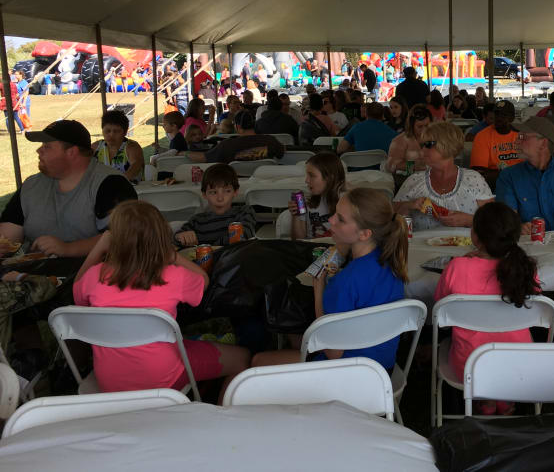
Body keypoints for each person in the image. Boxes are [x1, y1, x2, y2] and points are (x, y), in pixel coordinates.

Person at [73, 201, 250, 394]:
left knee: (182, 344)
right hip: (162, 377)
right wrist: (171, 255)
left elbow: (77, 291)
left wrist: (98, 248)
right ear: (160, 237)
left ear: (114, 239)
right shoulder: (173, 275)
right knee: (243, 358)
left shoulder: (95, 275)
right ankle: (216, 409)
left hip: (110, 381)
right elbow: (203, 280)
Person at [251, 188, 407, 370]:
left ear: (365, 234)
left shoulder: (344, 282)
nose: (331, 220)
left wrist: (319, 289)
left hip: (348, 373)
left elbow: (333, 352)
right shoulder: (392, 263)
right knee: (298, 341)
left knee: (257, 361)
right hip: (383, 368)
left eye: (340, 219)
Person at [434, 202, 540, 415]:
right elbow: (534, 308)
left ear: (475, 236)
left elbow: (440, 313)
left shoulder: (457, 267)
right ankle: (502, 399)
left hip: (470, 367)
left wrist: (466, 262)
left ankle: (486, 402)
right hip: (520, 364)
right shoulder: (526, 268)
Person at [0, 120, 137, 259]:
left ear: (71, 152)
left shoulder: (111, 184)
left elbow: (123, 237)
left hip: (96, 272)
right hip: (34, 274)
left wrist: (68, 249)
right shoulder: (31, 186)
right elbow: (6, 237)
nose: (39, 150)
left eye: (47, 146)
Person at [394, 121, 494, 230]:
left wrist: (470, 220)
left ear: (447, 144)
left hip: (465, 241)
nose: (422, 150)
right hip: (422, 242)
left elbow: (493, 221)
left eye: (428, 144)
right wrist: (408, 205)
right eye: (422, 145)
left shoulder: (473, 179)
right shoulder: (414, 180)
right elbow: (391, 218)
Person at [174, 164, 257, 247]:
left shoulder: (244, 212)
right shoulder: (197, 221)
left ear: (235, 192)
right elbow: (177, 239)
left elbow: (244, 233)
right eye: (213, 192)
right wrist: (181, 237)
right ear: (204, 194)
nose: (220, 198)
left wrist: (214, 248)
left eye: (227, 191)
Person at [186, 110, 284, 164]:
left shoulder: (226, 145)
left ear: (237, 127)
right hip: (262, 186)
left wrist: (183, 153)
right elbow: (281, 153)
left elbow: (204, 158)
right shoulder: (271, 140)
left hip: (233, 187)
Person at [288, 152, 346, 239]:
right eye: (307, 175)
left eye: (312, 175)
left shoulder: (347, 201)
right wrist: (295, 216)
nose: (306, 180)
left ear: (330, 178)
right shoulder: (306, 200)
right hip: (313, 246)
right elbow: (298, 239)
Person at [93, 110, 145, 182]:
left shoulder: (132, 147)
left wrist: (116, 183)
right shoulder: (96, 147)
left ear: (125, 132)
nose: (111, 135)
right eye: (107, 131)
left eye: (116, 131)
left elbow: (136, 167)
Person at [469, 101, 521, 170]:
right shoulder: (482, 136)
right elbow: (479, 171)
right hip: (495, 176)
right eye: (496, 114)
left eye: (503, 115)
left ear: (512, 118)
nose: (498, 118)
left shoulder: (522, 135)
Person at [386, 106, 432, 174]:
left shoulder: (433, 137)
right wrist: (414, 166)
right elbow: (391, 166)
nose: (424, 129)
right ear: (411, 125)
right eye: (420, 126)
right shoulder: (400, 140)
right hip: (408, 178)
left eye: (427, 125)